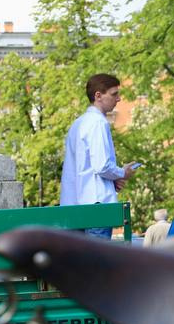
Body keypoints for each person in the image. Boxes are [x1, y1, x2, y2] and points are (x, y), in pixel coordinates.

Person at [60, 73, 140, 238]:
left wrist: (112, 180)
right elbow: (102, 165)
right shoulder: (99, 123)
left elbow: (84, 168)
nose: (118, 99)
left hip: (73, 205)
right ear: (98, 96)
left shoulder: (78, 123)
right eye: (114, 94)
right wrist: (122, 173)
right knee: (96, 262)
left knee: (80, 262)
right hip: (97, 205)